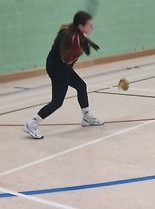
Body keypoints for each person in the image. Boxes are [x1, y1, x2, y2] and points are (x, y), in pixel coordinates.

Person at [24, 11, 104, 139]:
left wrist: (84, 41)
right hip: (57, 68)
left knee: (81, 86)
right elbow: (66, 59)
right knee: (57, 102)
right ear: (80, 26)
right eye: (89, 25)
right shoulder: (68, 37)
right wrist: (80, 47)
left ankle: (87, 116)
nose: (92, 27)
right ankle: (32, 123)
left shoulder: (74, 32)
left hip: (63, 67)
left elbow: (78, 40)